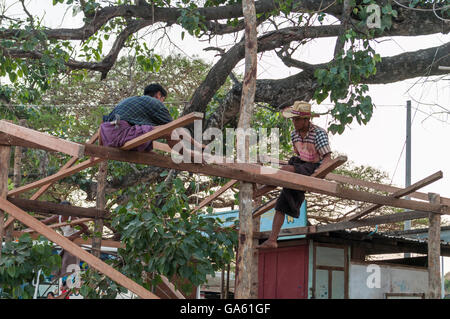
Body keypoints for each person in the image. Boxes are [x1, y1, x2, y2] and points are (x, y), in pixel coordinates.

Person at [258, 101, 332, 249]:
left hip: (313, 167)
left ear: (306, 120)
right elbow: (299, 155)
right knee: (281, 205)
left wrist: (317, 175)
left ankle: (265, 186)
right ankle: (273, 240)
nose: (294, 122)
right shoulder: (294, 134)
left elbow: (327, 158)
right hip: (299, 164)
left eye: (297, 119)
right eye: (293, 119)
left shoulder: (319, 133)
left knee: (285, 170)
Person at [100, 83, 179, 151]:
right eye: (163, 99)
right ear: (158, 94)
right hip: (121, 135)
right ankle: (189, 157)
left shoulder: (130, 100)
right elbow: (172, 127)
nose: (162, 102)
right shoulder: (154, 102)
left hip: (107, 137)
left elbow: (104, 121)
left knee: (150, 152)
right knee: (170, 132)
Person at [42, 201, 89, 281]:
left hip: (75, 240)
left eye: (67, 210)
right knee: (62, 260)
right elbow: (44, 222)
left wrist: (74, 236)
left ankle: (70, 278)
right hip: (66, 240)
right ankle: (61, 277)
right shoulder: (57, 217)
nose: (64, 212)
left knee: (68, 260)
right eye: (63, 210)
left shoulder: (73, 218)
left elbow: (85, 228)